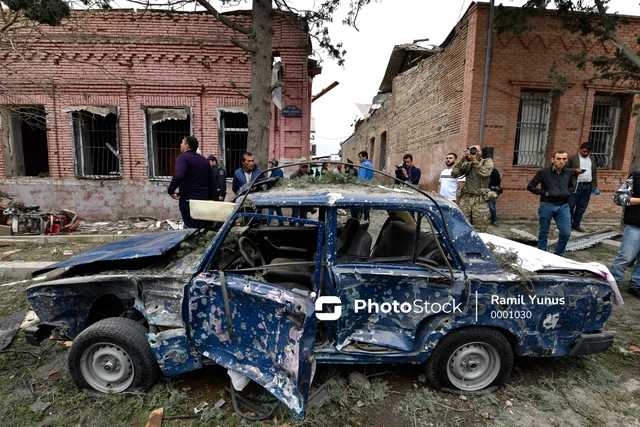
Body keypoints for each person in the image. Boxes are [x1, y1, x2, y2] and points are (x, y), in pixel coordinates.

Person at [526, 150, 573, 256]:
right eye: (558, 159)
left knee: (566, 233)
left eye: (564, 159)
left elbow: (571, 185)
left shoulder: (568, 172)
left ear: (567, 160)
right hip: (547, 205)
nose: (561, 161)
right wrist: (545, 193)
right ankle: (542, 255)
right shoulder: (544, 172)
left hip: (563, 206)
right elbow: (530, 186)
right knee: (544, 232)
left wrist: (568, 192)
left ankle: (558, 255)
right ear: (553, 159)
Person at [167, 136, 215, 229]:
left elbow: (179, 175)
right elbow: (211, 181)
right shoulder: (204, 160)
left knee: (191, 227)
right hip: (203, 197)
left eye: (182, 143)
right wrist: (210, 197)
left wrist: (171, 190)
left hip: (188, 197)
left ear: (187, 146)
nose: (181, 145)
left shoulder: (183, 158)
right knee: (203, 226)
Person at [609, 171, 640, 298]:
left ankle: (636, 285)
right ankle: (611, 284)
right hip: (635, 226)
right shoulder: (637, 178)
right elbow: (618, 198)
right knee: (625, 257)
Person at [451, 145, 493, 232]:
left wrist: (475, 161)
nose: (473, 152)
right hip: (466, 199)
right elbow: (454, 173)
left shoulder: (487, 161)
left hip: (480, 200)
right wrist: (462, 159)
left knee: (480, 229)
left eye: (476, 150)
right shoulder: (468, 165)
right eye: (471, 150)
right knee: (463, 226)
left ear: (480, 152)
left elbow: (485, 173)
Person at [566, 142, 600, 232]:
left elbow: (594, 173)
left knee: (582, 207)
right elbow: (564, 169)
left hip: (587, 186)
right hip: (575, 186)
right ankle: (567, 225)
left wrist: (595, 186)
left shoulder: (592, 159)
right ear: (580, 149)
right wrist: (575, 171)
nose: (586, 153)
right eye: (584, 151)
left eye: (588, 152)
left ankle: (576, 224)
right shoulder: (573, 158)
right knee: (570, 206)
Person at [352, 151, 374, 221]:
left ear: (365, 157)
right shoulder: (371, 165)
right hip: (369, 187)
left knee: (354, 206)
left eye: (360, 157)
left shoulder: (363, 164)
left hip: (363, 188)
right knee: (366, 206)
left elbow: (361, 178)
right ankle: (366, 219)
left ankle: (355, 220)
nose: (359, 159)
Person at [267, 159, 284, 225]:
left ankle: (268, 224)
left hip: (274, 194)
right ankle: (281, 223)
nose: (269, 165)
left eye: (269, 164)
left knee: (271, 209)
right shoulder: (274, 171)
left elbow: (279, 182)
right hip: (273, 194)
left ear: (273, 164)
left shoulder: (277, 171)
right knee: (277, 209)